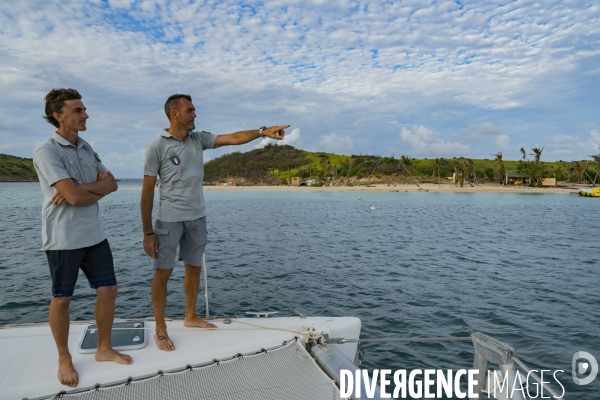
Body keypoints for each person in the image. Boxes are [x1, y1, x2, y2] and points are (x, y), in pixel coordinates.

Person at [141, 93, 289, 351]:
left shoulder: (198, 139)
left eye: (194, 110)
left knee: (194, 268)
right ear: (174, 114)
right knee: (163, 273)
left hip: (197, 218)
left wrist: (263, 132)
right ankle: (161, 329)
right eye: (190, 110)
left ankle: (190, 316)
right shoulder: (157, 146)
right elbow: (146, 191)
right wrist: (148, 232)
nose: (195, 114)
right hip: (169, 220)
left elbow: (232, 138)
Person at [33, 88, 132, 388]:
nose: (85, 114)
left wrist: (80, 189)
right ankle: (64, 357)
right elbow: (74, 198)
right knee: (62, 298)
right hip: (63, 238)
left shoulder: (88, 148)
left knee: (108, 289)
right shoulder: (47, 151)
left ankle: (103, 348)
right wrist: (86, 190)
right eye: (77, 110)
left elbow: (112, 184)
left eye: (84, 109)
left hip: (94, 235)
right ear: (57, 115)